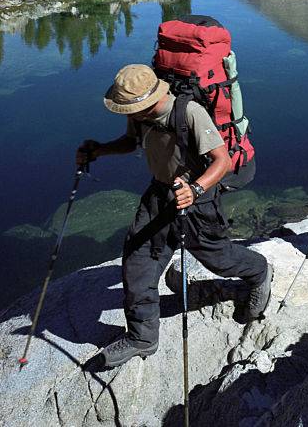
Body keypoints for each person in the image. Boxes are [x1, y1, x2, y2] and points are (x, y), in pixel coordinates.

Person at [77, 64, 272, 368]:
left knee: (219, 260)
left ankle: (259, 271)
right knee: (138, 261)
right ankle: (143, 337)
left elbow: (221, 161)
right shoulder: (140, 117)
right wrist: (99, 150)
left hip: (197, 202)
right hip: (158, 196)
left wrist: (195, 189)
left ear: (147, 102)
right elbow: (132, 141)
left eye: (130, 109)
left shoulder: (189, 113)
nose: (127, 114)